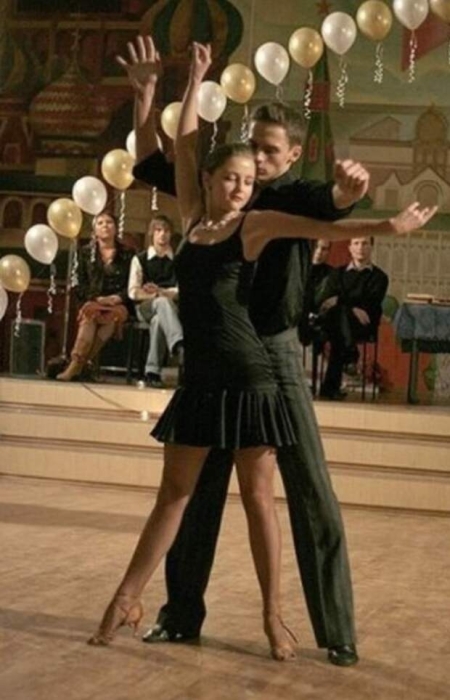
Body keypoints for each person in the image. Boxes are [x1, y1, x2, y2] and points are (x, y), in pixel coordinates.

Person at [114, 37, 434, 666]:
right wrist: (151, 94)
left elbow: (332, 206)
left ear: (289, 156)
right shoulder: (222, 190)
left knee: (311, 493)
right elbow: (167, 154)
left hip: (277, 359)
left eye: (269, 151)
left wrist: (348, 190)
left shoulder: (291, 195)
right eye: (252, 147)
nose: (257, 161)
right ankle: (181, 616)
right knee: (198, 496)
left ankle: (336, 632)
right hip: (216, 363)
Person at [56, 211, 134, 382]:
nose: (105, 226)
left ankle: (76, 366)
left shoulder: (128, 254)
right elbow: (78, 283)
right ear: (95, 231)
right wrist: (97, 299)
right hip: (93, 301)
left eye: (109, 222)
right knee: (89, 317)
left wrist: (117, 298)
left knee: (111, 320)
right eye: (100, 223)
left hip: (118, 303)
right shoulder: (84, 253)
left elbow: (132, 284)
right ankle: (80, 365)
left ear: (116, 228)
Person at [318, 236, 389, 400]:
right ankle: (350, 354)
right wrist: (353, 307)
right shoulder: (337, 273)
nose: (360, 247)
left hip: (362, 324)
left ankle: (330, 386)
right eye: (356, 243)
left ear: (371, 247)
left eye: (365, 243)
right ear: (349, 247)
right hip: (337, 322)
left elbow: (370, 303)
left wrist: (342, 301)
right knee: (340, 318)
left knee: (339, 327)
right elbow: (327, 299)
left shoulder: (380, 277)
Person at [128, 214, 183, 388]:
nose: (162, 234)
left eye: (166, 231)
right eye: (158, 230)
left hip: (170, 310)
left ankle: (152, 372)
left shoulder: (178, 261)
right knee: (161, 303)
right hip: (145, 307)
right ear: (152, 233)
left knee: (159, 319)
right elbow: (133, 292)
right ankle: (179, 343)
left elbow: (181, 291)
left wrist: (160, 292)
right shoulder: (140, 259)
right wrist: (154, 296)